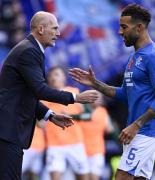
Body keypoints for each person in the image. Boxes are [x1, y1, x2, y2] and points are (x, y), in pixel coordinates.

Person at [69, 4, 155, 180]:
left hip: (147, 130)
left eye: (124, 27)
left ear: (139, 27)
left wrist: (136, 125)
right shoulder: (133, 58)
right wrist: (95, 83)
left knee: (122, 175)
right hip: (136, 129)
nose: (119, 32)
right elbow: (124, 93)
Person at [0, 11, 98, 180]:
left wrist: (49, 115)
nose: (58, 33)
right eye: (54, 28)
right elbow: (40, 90)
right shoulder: (28, 51)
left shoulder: (31, 49)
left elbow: (26, 94)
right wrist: (75, 98)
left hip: (9, 130)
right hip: (8, 130)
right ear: (40, 29)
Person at [44, 67, 90, 180]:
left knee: (83, 177)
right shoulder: (44, 96)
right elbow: (40, 123)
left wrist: (74, 117)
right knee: (54, 177)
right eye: (51, 75)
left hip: (75, 143)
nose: (53, 77)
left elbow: (88, 116)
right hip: (54, 145)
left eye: (56, 74)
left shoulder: (74, 92)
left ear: (64, 77)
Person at [79, 94, 113, 180]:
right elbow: (109, 129)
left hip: (97, 150)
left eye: (100, 99)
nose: (99, 101)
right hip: (82, 150)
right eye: (97, 98)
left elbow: (109, 129)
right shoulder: (82, 110)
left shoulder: (102, 111)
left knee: (94, 176)